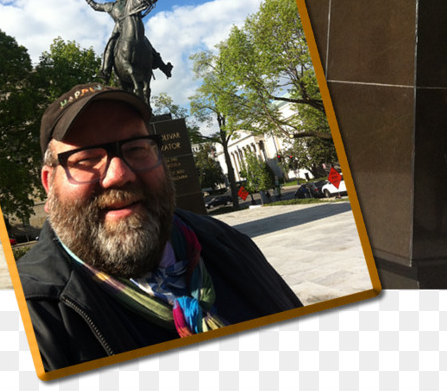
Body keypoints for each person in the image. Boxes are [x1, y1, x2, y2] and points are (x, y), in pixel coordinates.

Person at [19, 82, 301, 372]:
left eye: (137, 148)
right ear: (48, 182)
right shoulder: (33, 314)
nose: (119, 175)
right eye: (87, 159)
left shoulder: (228, 242)